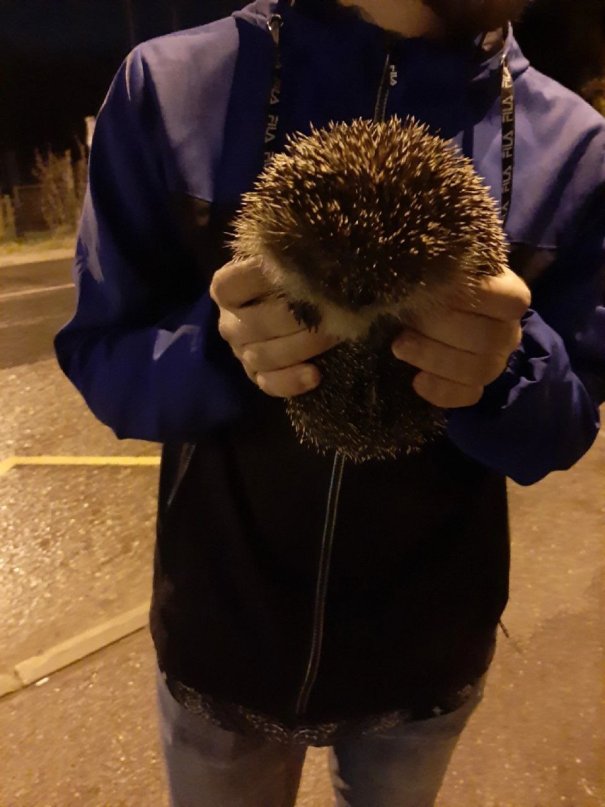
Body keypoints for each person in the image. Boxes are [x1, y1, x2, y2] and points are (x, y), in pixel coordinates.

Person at [55, 1, 605, 804]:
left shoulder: (576, 149)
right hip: (222, 639)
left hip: (427, 654)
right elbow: (104, 356)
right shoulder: (171, 89)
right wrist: (218, 349)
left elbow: (566, 423)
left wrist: (506, 371)